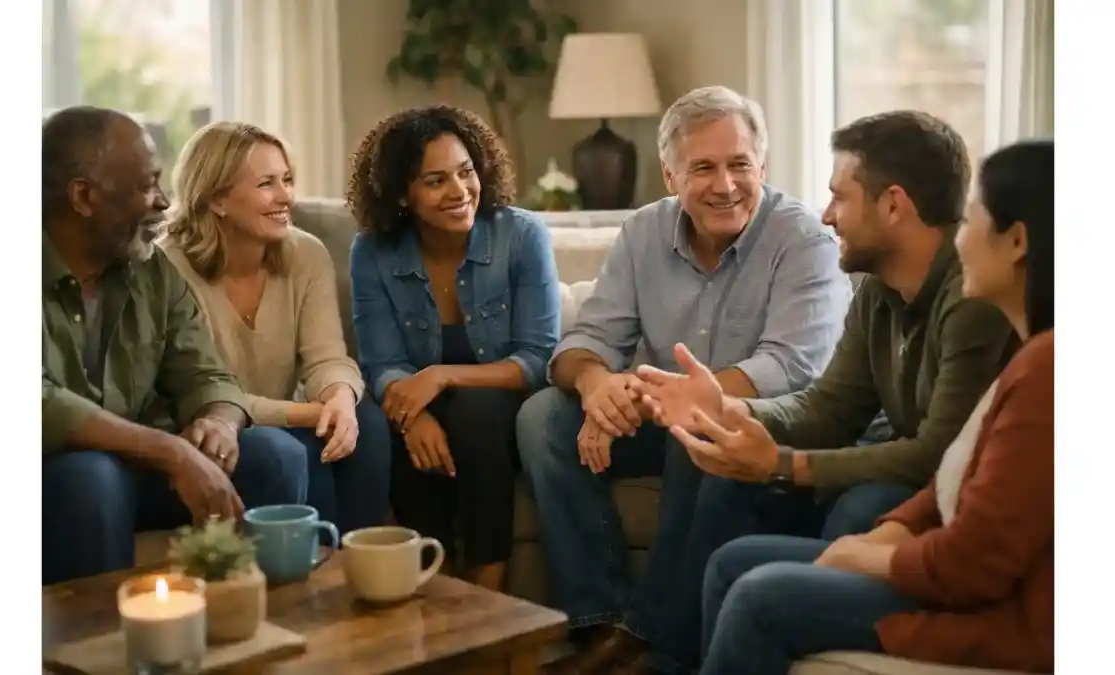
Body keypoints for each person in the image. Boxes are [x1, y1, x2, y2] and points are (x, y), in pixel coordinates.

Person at [631, 110, 1021, 674]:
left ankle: (802, 611)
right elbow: (830, 409)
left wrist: (785, 464)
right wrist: (730, 408)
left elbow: (937, 453)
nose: (827, 214)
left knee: (863, 504)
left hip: (939, 488)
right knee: (726, 478)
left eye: (840, 196)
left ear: (893, 206)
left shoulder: (972, 295)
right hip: (896, 464)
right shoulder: (877, 290)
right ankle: (674, 661)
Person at [516, 86, 852, 674]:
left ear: (762, 166)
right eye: (703, 168)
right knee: (543, 417)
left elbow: (791, 365)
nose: (726, 185)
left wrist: (674, 399)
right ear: (670, 176)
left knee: (697, 425)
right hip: (665, 409)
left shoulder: (804, 240)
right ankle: (599, 623)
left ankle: (651, 641)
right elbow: (587, 339)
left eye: (739, 164)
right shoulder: (643, 232)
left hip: (760, 424)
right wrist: (597, 387)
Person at [42, 107, 307, 585]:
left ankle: (258, 617)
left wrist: (218, 421)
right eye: (147, 185)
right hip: (60, 479)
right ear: (83, 196)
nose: (164, 202)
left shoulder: (149, 270)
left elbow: (206, 373)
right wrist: (171, 452)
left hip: (144, 468)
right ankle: (101, 633)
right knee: (91, 476)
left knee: (275, 453)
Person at [347, 105, 561, 591]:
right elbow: (382, 363)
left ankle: (489, 589)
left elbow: (537, 358)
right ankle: (435, 585)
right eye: (435, 181)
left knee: (474, 411)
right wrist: (414, 417)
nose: (460, 191)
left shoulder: (522, 236)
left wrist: (441, 376)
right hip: (421, 405)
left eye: (466, 172)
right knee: (387, 427)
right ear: (401, 193)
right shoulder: (372, 251)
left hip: (502, 408)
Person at [158, 121, 391, 540]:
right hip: (216, 427)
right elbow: (201, 393)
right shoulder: (168, 268)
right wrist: (308, 413)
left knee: (365, 422)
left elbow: (326, 357)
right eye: (266, 184)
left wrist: (339, 398)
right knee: (299, 446)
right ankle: (318, 563)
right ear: (217, 199)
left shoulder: (306, 254)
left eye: (287, 180)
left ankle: (361, 558)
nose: (286, 197)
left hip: (285, 417)